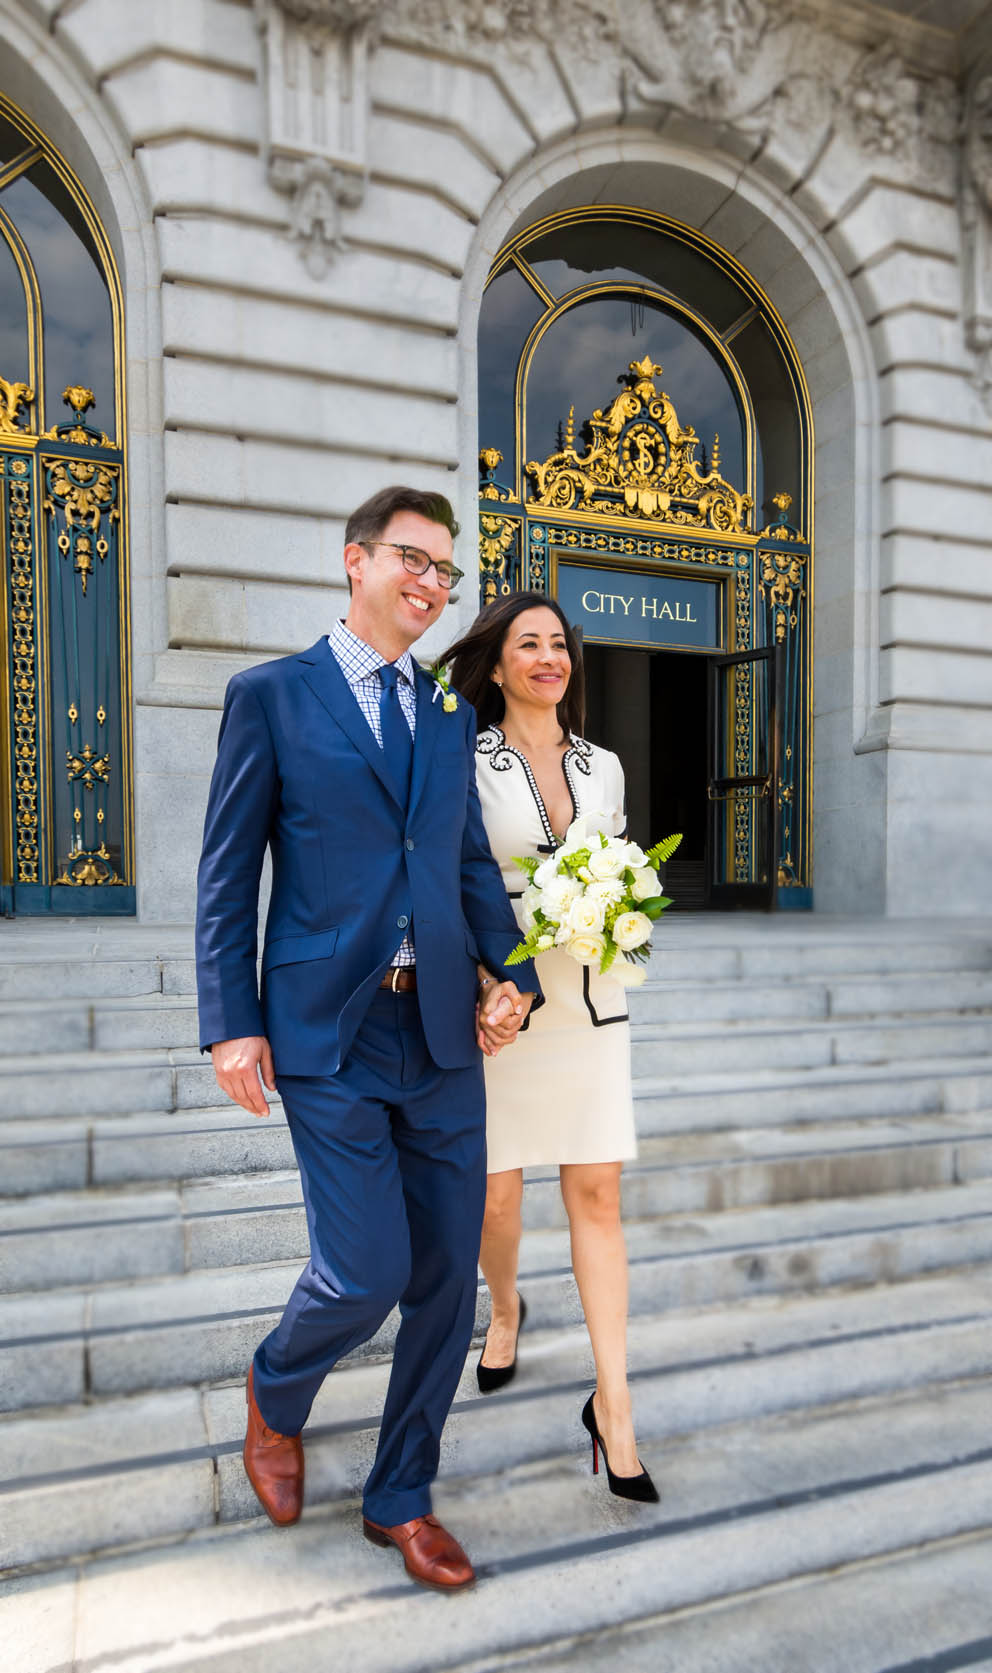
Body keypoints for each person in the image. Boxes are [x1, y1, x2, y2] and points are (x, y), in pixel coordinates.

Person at [195, 488, 541, 1592]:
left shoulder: (447, 718)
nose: (431, 584)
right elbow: (224, 873)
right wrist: (230, 1020)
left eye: (445, 570)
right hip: (325, 1029)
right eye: (412, 559)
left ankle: (400, 1493)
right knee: (364, 1268)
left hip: (438, 1028)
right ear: (355, 561)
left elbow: (464, 864)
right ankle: (274, 1386)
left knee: (443, 1280)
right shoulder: (272, 697)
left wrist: (514, 972)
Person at [444, 592, 658, 1503]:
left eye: (558, 644)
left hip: (593, 1005)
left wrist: (626, 912)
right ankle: (504, 1306)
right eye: (526, 644)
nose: (547, 657)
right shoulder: (461, 758)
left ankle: (615, 1408)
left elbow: (619, 864)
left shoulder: (602, 765)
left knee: (597, 1193)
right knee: (497, 1196)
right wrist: (486, 978)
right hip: (503, 1001)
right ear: (495, 665)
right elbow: (451, 878)